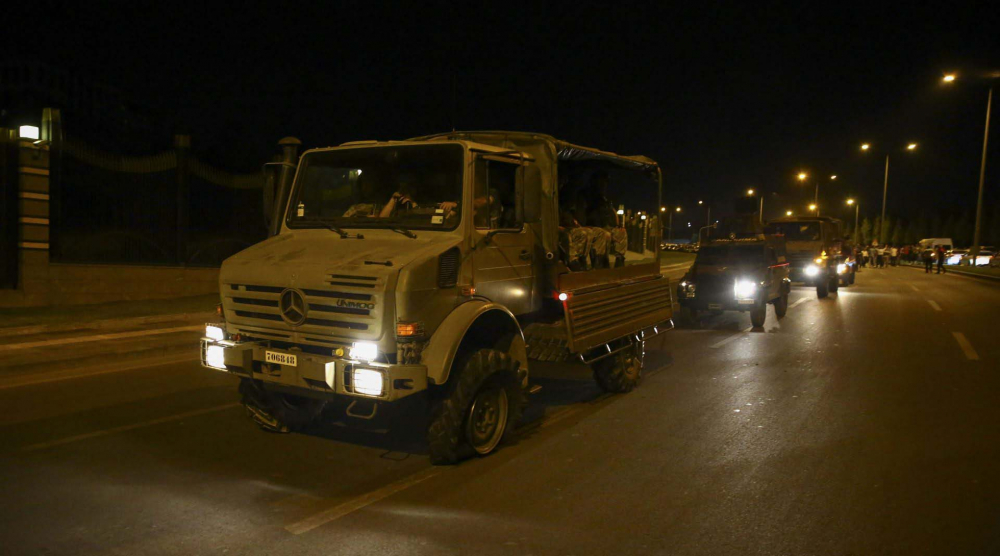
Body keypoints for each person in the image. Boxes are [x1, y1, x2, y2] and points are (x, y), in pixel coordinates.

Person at [586, 170, 628, 267]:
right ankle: (600, 262)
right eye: (601, 182)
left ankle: (619, 261)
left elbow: (612, 213)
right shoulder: (587, 196)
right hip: (592, 226)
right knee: (605, 235)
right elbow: (583, 215)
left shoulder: (604, 198)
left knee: (621, 232)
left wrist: (617, 226)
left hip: (605, 226)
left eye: (605, 182)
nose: (604, 185)